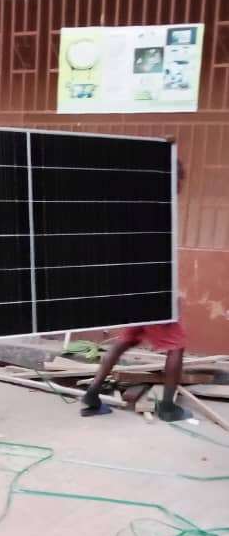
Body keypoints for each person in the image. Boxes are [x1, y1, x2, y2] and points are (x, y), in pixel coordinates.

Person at [81, 155, 188, 422]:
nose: (181, 185)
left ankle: (92, 395)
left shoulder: (136, 205)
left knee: (125, 340)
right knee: (176, 346)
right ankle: (167, 408)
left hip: (132, 287)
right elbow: (158, 258)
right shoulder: (161, 210)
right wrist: (171, 295)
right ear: (172, 179)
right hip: (153, 289)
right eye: (180, 179)